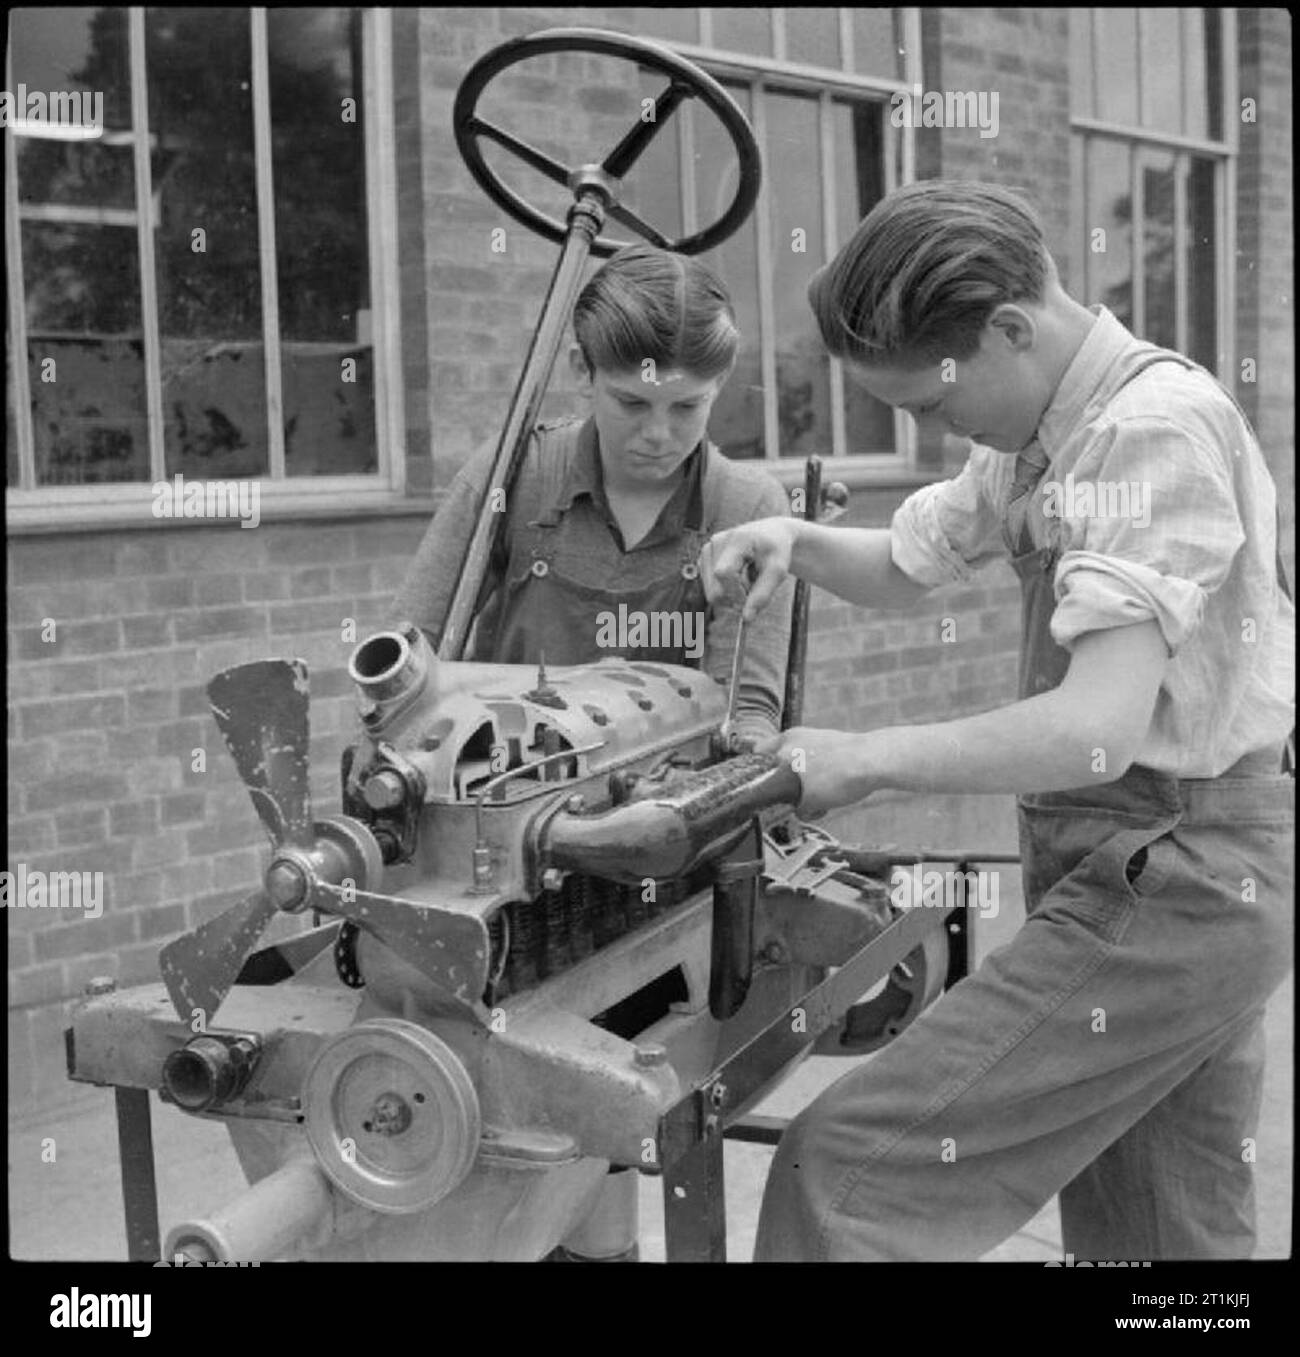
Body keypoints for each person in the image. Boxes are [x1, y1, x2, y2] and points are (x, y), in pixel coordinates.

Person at [703, 180, 1295, 1261]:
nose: (932, 430)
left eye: (930, 404)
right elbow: (904, 560)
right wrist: (789, 539)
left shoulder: (1148, 433)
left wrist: (862, 761)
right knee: (1158, 1231)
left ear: (1010, 328)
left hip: (1180, 870)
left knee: (850, 1172)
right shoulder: (1043, 430)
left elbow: (1095, 732)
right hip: (1145, 859)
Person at [394, 243, 793, 742]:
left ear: (721, 380)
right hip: (506, 785)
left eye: (686, 407)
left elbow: (745, 708)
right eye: (632, 403)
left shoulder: (747, 509)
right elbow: (406, 661)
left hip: (674, 794)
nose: (658, 434)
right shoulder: (513, 478)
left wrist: (753, 759)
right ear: (583, 370)